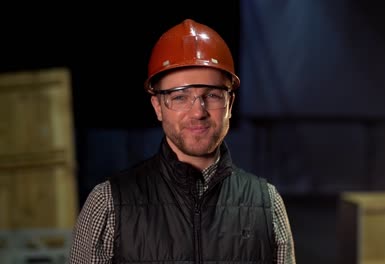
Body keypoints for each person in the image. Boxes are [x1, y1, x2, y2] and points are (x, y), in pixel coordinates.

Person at [68, 18, 296, 264]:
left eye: (212, 95)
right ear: (158, 107)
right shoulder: (108, 203)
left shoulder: (267, 204)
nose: (198, 111)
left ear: (229, 104)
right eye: (180, 97)